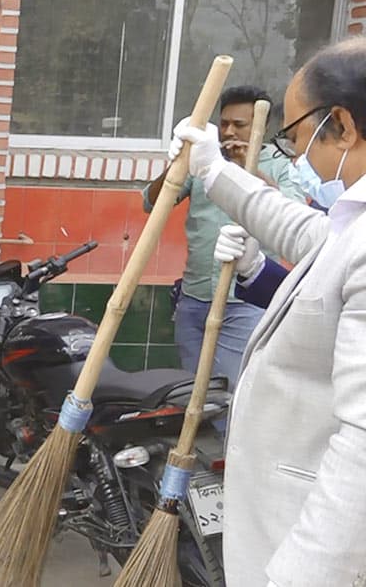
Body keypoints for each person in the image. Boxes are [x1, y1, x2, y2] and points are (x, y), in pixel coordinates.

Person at [169, 36, 366, 587]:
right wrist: (213, 170)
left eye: (297, 136)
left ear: (343, 126)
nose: (297, 157)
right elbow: (314, 234)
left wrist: (303, 574)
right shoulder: (352, 219)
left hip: (309, 545)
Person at [143, 85, 305, 387]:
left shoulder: (280, 165)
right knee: (192, 391)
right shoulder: (204, 160)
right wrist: (179, 161)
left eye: (239, 125)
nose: (229, 131)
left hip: (246, 304)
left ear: (260, 127)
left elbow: (294, 215)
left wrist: (248, 169)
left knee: (230, 391)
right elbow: (150, 203)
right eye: (225, 123)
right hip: (194, 297)